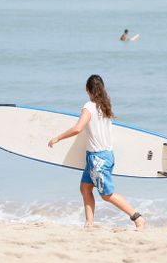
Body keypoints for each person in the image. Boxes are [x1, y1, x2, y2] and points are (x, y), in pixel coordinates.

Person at [48, 75, 146, 230]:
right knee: (85, 187)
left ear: (88, 90)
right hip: (102, 156)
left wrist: (57, 138)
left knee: (107, 194)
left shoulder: (89, 107)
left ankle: (137, 217)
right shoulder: (104, 107)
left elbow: (77, 128)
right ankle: (89, 223)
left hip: (98, 159)